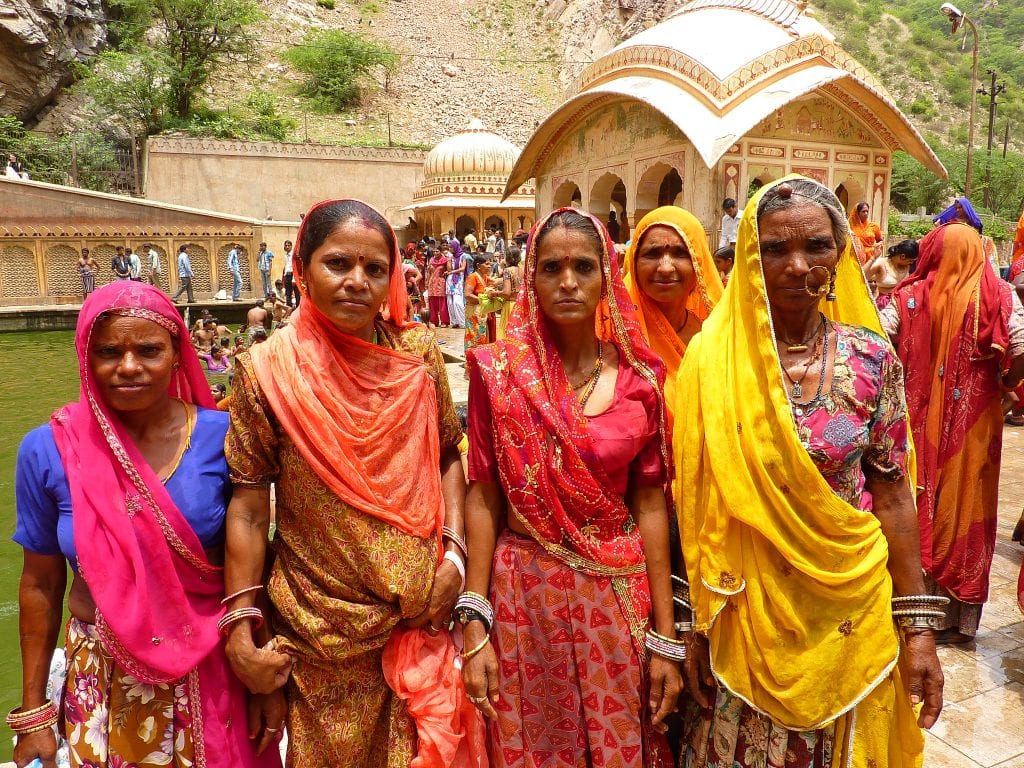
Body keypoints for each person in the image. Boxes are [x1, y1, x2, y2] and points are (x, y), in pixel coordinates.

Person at [674, 176, 944, 767]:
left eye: (816, 246)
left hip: (849, 608)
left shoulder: (871, 359)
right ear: (750, 256)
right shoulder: (710, 362)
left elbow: (895, 495)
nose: (797, 266)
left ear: (842, 251)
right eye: (775, 249)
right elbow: (694, 508)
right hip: (747, 616)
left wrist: (919, 629)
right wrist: (691, 624)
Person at [222, 198, 483, 767]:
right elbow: (246, 506)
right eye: (338, 264)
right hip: (320, 634)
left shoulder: (416, 360)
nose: (357, 282)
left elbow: (446, 458)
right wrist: (240, 625)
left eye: (375, 269)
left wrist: (455, 561)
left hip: (420, 619)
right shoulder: (266, 372)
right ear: (302, 270)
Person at [12, 281, 281, 768]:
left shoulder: (223, 437)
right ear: (85, 357)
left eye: (149, 350)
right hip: (102, 681)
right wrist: (33, 710)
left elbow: (254, 564)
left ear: (178, 354)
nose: (129, 366)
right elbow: (40, 583)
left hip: (215, 670)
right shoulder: (48, 450)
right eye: (109, 351)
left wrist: (261, 678)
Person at [462, 208, 681, 767]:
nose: (567, 282)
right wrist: (476, 622)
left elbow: (651, 504)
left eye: (584, 267)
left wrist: (664, 638)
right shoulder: (498, 373)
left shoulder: (641, 381)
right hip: (522, 595)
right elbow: (484, 494)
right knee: (534, 745)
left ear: (607, 277)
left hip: (615, 595)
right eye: (551, 266)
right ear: (529, 277)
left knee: (619, 744)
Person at [881, 219, 1024, 644]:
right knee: (965, 504)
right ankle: (955, 617)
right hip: (975, 425)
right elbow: (1022, 347)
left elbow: (877, 340)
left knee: (907, 495)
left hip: (911, 421)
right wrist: (1004, 384)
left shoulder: (906, 298)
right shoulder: (998, 296)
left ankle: (908, 608)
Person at [622, 205, 723, 407]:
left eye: (680, 253)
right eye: (652, 254)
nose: (666, 268)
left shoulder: (717, 336)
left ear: (699, 261)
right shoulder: (614, 335)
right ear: (633, 262)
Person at [866, 239, 917, 309]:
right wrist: (873, 258)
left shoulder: (910, 267)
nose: (911, 263)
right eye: (910, 260)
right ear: (902, 256)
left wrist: (912, 309)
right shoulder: (882, 264)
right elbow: (862, 276)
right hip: (885, 304)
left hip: (905, 302)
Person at [490, 246, 522, 339]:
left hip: (510, 306)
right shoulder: (523, 269)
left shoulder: (507, 271)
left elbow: (506, 293)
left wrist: (494, 293)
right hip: (521, 305)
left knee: (507, 335)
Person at [463, 255, 491, 354]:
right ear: (478, 265)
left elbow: (496, 282)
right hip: (474, 311)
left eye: (490, 264)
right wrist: (482, 300)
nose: (489, 266)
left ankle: (480, 358)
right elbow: (467, 294)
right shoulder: (473, 277)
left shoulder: (484, 277)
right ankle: (472, 359)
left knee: (481, 335)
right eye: (487, 264)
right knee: (474, 336)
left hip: (481, 312)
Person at [426, 247, 450, 328]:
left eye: (437, 251)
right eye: (434, 251)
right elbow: (429, 272)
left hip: (441, 282)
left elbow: (449, 270)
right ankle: (433, 321)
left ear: (441, 251)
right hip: (432, 283)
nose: (435, 253)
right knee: (432, 302)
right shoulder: (431, 260)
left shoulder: (445, 260)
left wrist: (446, 272)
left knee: (442, 302)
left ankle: (444, 321)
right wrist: (427, 281)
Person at [446, 241, 467, 328]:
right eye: (449, 247)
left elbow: (462, 268)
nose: (450, 249)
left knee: (457, 302)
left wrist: (452, 272)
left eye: (451, 247)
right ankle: (454, 322)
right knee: (450, 302)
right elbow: (449, 268)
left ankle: (462, 322)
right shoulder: (450, 256)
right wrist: (448, 260)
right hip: (450, 280)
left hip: (458, 280)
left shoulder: (463, 256)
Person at [282, 239, 297, 307]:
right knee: (288, 293)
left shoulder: (294, 254)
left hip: (293, 275)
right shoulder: (286, 255)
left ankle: (297, 307)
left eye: (288, 245)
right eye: (286, 245)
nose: (287, 247)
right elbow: (286, 266)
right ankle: (289, 307)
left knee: (296, 292)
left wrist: (294, 278)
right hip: (287, 275)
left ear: (291, 246)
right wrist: (284, 275)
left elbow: (295, 266)